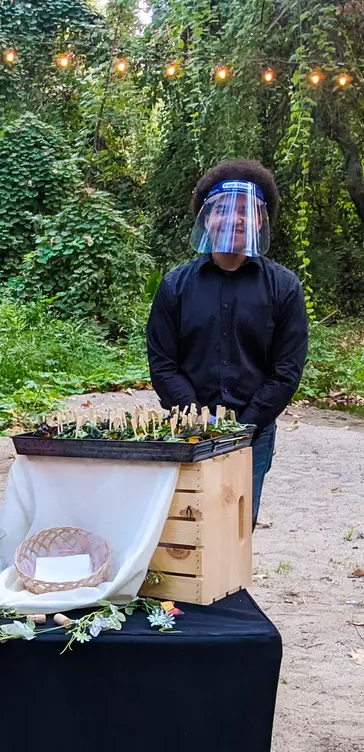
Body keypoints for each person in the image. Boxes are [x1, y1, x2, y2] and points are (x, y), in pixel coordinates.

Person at [146, 159, 308, 527]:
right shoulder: (175, 286)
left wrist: (242, 428)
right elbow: (163, 363)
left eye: (245, 212)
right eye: (224, 210)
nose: (235, 220)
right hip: (186, 432)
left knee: (235, 532)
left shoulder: (284, 288)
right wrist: (198, 420)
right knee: (185, 532)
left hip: (254, 434)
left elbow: (286, 371)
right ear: (207, 218)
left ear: (261, 221)